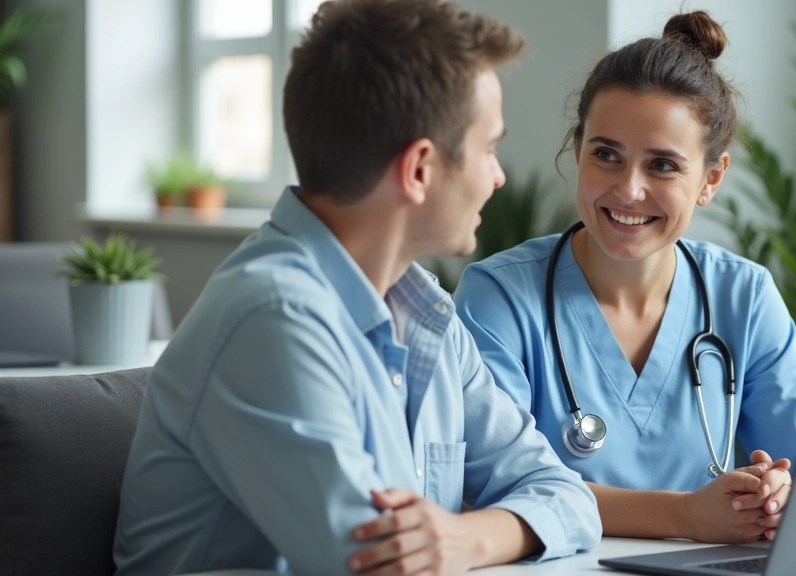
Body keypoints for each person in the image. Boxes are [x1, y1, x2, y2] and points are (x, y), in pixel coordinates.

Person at [113, 1, 601, 574]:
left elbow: (567, 496)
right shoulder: (272, 319)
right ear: (419, 169)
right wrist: (470, 537)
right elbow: (375, 563)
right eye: (489, 149)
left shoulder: (427, 312)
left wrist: (470, 539)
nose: (497, 176)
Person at [454, 11, 796, 544]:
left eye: (663, 165)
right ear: (577, 150)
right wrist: (684, 516)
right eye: (606, 155)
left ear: (711, 178)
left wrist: (776, 492)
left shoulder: (745, 297)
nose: (628, 190)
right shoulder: (499, 298)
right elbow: (493, 485)